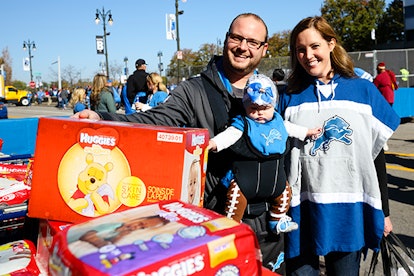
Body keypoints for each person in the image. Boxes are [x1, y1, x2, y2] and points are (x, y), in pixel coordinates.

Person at [72, 13, 286, 274]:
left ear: (264, 50)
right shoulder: (194, 90)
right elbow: (155, 119)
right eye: (237, 38)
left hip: (269, 223)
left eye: (253, 42)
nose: (243, 47)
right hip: (218, 220)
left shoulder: (274, 93)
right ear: (226, 39)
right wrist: (102, 118)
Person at [279, 16, 400, 275]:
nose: (307, 55)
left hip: (349, 212)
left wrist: (384, 212)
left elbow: (375, 157)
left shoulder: (363, 91)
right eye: (300, 49)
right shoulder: (288, 96)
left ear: (331, 44)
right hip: (301, 212)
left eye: (315, 46)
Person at [208, 74, 321, 232]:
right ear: (245, 106)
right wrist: (213, 143)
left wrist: (308, 132)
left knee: (285, 193)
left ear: (273, 106)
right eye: (253, 108)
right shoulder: (243, 124)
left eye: (265, 108)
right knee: (235, 197)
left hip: (276, 182)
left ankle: (277, 219)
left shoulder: (278, 122)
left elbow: (293, 129)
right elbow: (229, 135)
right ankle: (231, 226)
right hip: (244, 182)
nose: (259, 113)